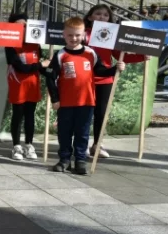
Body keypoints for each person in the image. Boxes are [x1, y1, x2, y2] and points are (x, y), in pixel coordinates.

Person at [45, 17, 122, 175]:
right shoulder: (60, 55)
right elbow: (50, 78)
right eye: (70, 35)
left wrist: (115, 68)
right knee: (64, 132)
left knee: (82, 132)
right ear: (64, 35)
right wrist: (55, 99)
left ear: (84, 35)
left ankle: (80, 160)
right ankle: (64, 159)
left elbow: (100, 70)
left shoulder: (90, 53)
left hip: (86, 102)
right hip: (66, 103)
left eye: (78, 35)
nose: (74, 38)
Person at [83, 4, 144, 158]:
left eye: (105, 15)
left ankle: (97, 144)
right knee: (84, 113)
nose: (102, 17)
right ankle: (81, 143)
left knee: (101, 114)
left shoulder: (111, 34)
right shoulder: (82, 33)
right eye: (98, 14)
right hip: (84, 79)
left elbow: (120, 55)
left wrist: (142, 56)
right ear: (90, 17)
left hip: (105, 79)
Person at [5, 12, 48, 161]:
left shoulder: (35, 43)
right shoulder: (10, 45)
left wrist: (50, 68)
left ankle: (29, 144)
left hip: (33, 84)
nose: (22, 28)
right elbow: (20, 67)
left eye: (24, 25)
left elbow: (41, 67)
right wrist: (40, 65)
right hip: (18, 84)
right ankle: (16, 146)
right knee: (18, 115)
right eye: (18, 25)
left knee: (30, 115)